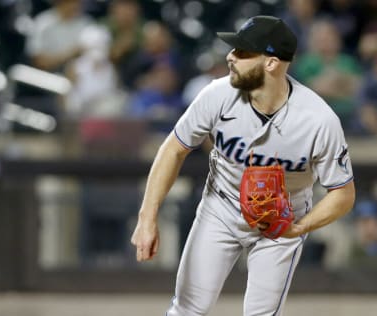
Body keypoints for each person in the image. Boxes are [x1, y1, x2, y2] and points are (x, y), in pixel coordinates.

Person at [130, 16, 355, 316]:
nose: (230, 57)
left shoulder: (318, 120)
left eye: (242, 52)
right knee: (186, 310)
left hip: (281, 218)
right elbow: (173, 149)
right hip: (221, 207)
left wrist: (299, 227)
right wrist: (147, 217)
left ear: (272, 63)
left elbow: (343, 193)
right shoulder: (217, 94)